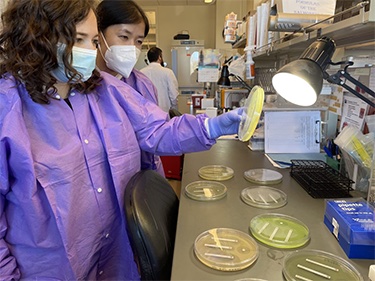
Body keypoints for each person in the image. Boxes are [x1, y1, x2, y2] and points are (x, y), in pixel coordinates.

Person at [0, 0, 243, 279]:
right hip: (49, 269)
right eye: (78, 39)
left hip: (116, 256)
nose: (88, 52)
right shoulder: (7, 108)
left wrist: (213, 127)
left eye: (92, 41)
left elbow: (158, 131)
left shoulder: (107, 89)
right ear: (36, 35)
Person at [96, 0, 165, 176]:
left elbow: (154, 140)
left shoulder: (142, 85)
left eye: (139, 41)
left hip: (135, 181)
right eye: (124, 37)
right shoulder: (79, 84)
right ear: (98, 34)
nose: (132, 48)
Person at [141, 46, 179, 113]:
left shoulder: (141, 73)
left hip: (148, 112)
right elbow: (173, 95)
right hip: (164, 111)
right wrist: (174, 109)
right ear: (159, 57)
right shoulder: (168, 72)